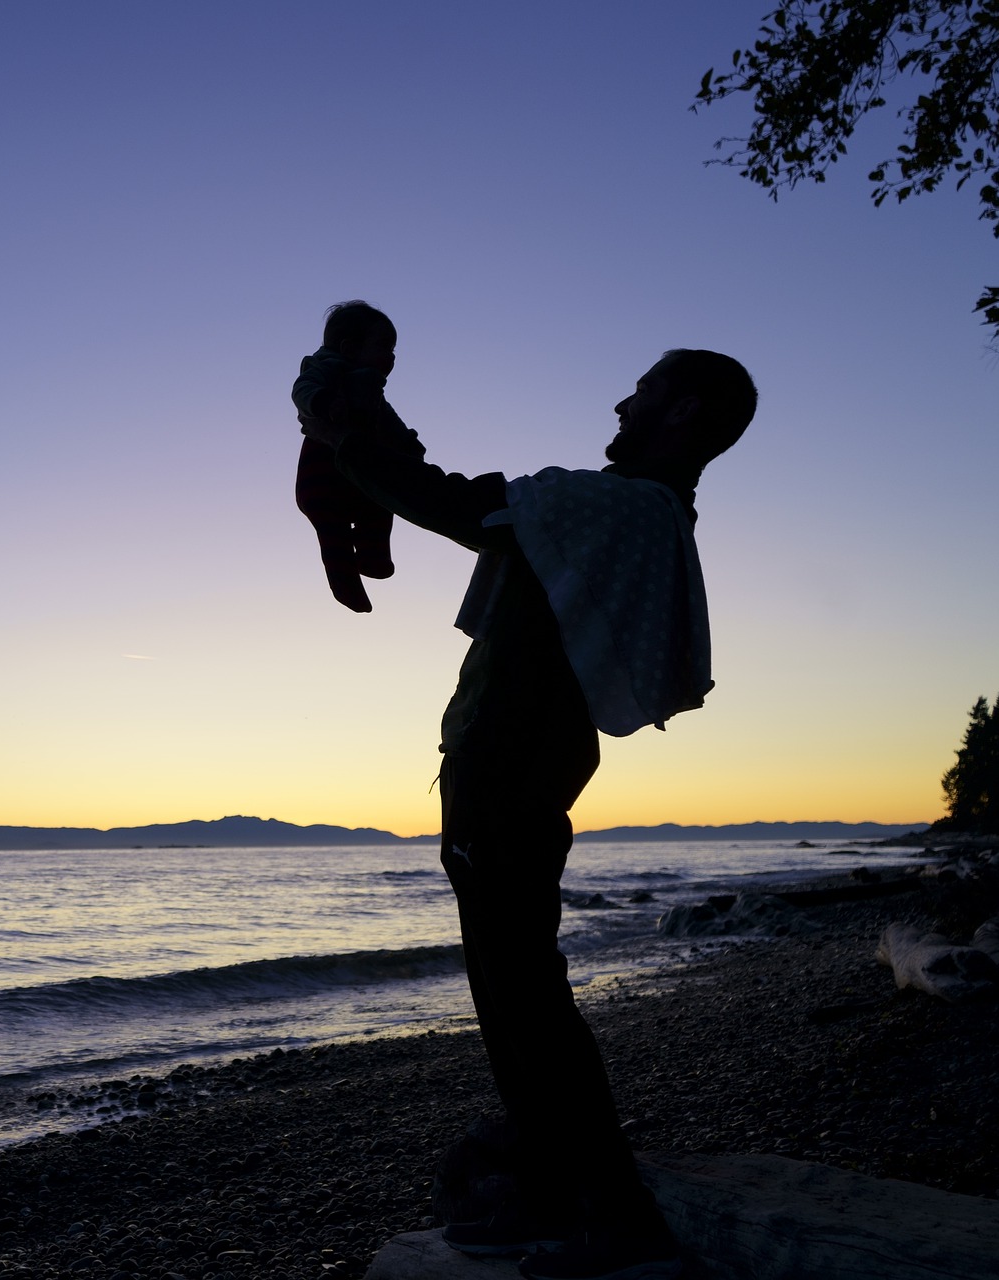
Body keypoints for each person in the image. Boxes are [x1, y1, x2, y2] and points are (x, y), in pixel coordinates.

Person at [297, 348, 757, 1280]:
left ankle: (615, 1212)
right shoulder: (634, 511)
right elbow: (452, 500)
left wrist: (340, 421)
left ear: (687, 411)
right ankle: (552, 1186)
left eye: (649, 390)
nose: (624, 401)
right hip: (515, 765)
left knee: (525, 997)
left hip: (509, 766)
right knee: (512, 989)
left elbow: (444, 500)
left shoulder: (615, 503)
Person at [291, 301, 423, 612]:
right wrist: (323, 402)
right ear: (349, 347)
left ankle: (372, 554)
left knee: (380, 504)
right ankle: (345, 584)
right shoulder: (327, 368)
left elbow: (386, 417)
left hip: (358, 471)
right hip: (323, 468)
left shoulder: (371, 387)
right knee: (332, 528)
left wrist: (406, 443)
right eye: (384, 346)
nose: (392, 356)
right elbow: (303, 389)